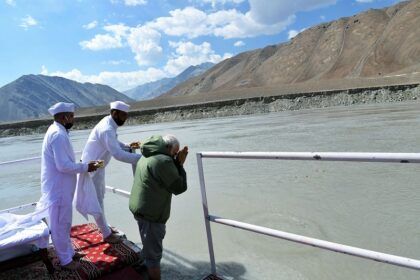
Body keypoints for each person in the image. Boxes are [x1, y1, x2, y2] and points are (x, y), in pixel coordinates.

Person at [38, 102, 98, 270]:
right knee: (59, 222)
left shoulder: (59, 131)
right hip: (58, 187)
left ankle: (69, 252)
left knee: (65, 221)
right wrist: (86, 166)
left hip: (62, 186)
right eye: (72, 116)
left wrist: (83, 165)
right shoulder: (58, 134)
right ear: (64, 117)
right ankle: (65, 260)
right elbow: (63, 165)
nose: (73, 119)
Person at [74, 101, 141, 243]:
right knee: (96, 201)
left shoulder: (109, 123)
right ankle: (106, 234)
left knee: (100, 198)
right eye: (123, 115)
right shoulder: (107, 129)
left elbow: (113, 142)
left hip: (99, 166)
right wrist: (142, 159)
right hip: (91, 168)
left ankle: (104, 227)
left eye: (126, 115)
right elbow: (118, 155)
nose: (125, 118)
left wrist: (127, 145)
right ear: (114, 113)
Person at [129, 135, 188, 280]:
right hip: (151, 214)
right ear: (168, 148)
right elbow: (179, 187)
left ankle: (144, 264)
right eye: (175, 153)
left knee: (148, 245)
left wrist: (174, 160)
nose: (175, 155)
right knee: (154, 257)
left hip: (140, 209)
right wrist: (179, 164)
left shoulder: (148, 154)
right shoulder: (164, 161)